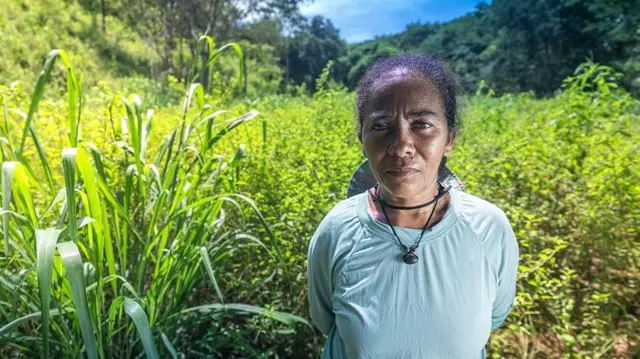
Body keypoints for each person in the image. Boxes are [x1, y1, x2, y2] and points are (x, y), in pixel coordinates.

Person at [306, 53, 520, 359]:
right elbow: (326, 319)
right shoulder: (336, 229)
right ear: (362, 138)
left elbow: (495, 315)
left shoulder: (488, 227)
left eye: (421, 124)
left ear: (450, 139)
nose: (401, 145)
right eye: (381, 126)